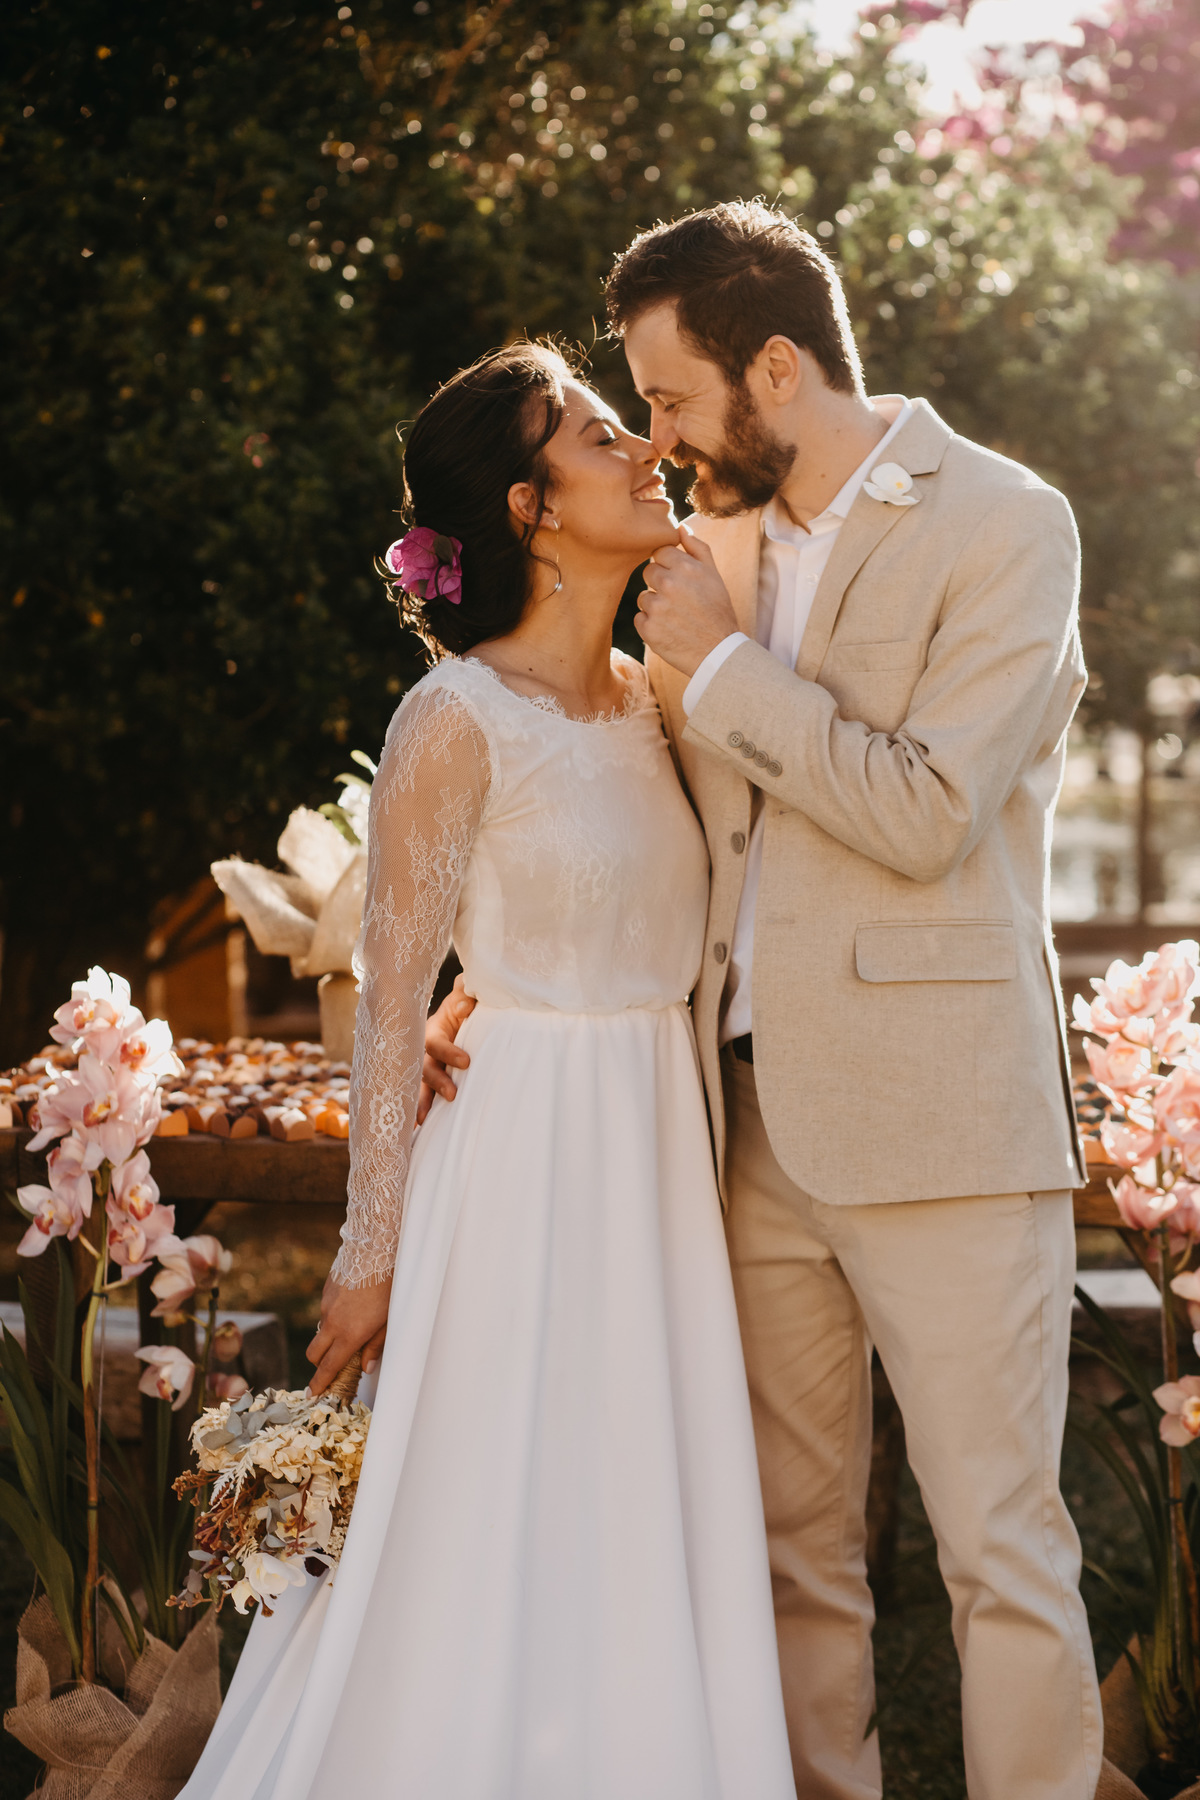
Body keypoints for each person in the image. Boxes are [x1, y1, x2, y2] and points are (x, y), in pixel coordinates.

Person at [426, 202, 1104, 1800]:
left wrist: (728, 671)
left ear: (776, 367)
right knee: (791, 1560)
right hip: (736, 1134)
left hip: (946, 1125)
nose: (652, 440)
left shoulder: (1009, 525)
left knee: (1002, 1557)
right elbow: (628, 807)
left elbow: (933, 810)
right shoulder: (697, 549)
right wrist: (490, 978)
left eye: (668, 398)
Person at [177, 342, 797, 1800]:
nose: (641, 446)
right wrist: (366, 1257)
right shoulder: (453, 718)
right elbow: (395, 1005)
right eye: (598, 434)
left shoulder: (659, 695)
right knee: (490, 1511)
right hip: (516, 1174)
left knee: (636, 1505)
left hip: (662, 1144)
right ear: (529, 509)